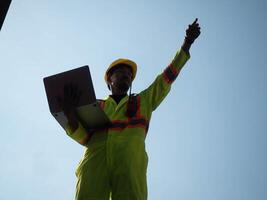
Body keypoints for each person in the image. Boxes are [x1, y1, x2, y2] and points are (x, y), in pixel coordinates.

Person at [60, 18, 201, 200]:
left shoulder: (144, 101)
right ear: (109, 81)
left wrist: (186, 44)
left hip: (130, 165)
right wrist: (70, 115)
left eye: (129, 74)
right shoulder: (96, 106)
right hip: (95, 163)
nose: (126, 76)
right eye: (120, 73)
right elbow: (84, 138)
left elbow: (166, 78)